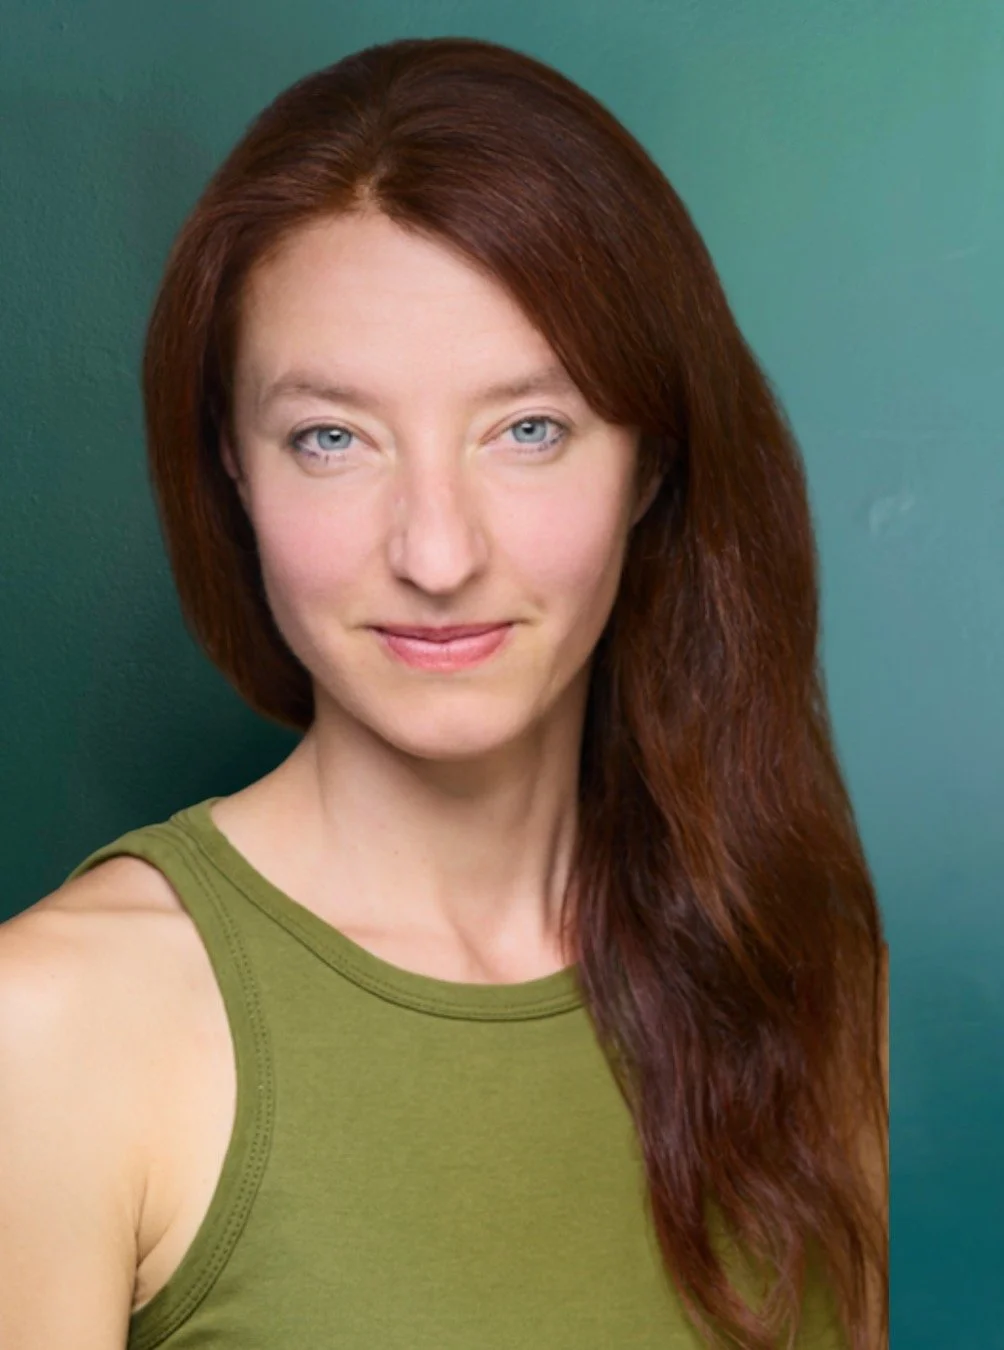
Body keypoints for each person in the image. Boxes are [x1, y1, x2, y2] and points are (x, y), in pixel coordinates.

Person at [0, 35, 888, 1350]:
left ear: (651, 461)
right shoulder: (53, 1028)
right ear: (234, 475)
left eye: (529, 428)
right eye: (331, 438)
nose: (435, 550)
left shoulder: (793, 960)